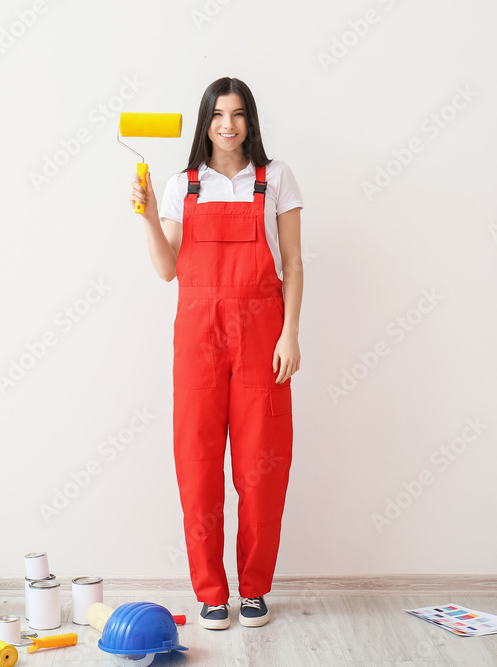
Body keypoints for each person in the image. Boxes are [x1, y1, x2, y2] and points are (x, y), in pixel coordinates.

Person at [129, 77, 304, 629]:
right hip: (198, 335)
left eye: (238, 114)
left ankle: (252, 590)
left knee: (261, 468)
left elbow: (294, 264)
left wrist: (290, 333)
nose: (227, 125)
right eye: (217, 115)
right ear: (204, 122)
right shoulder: (186, 183)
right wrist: (150, 213)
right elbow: (166, 268)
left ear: (250, 121)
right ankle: (211, 593)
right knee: (197, 465)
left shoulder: (274, 178)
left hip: (262, 334)